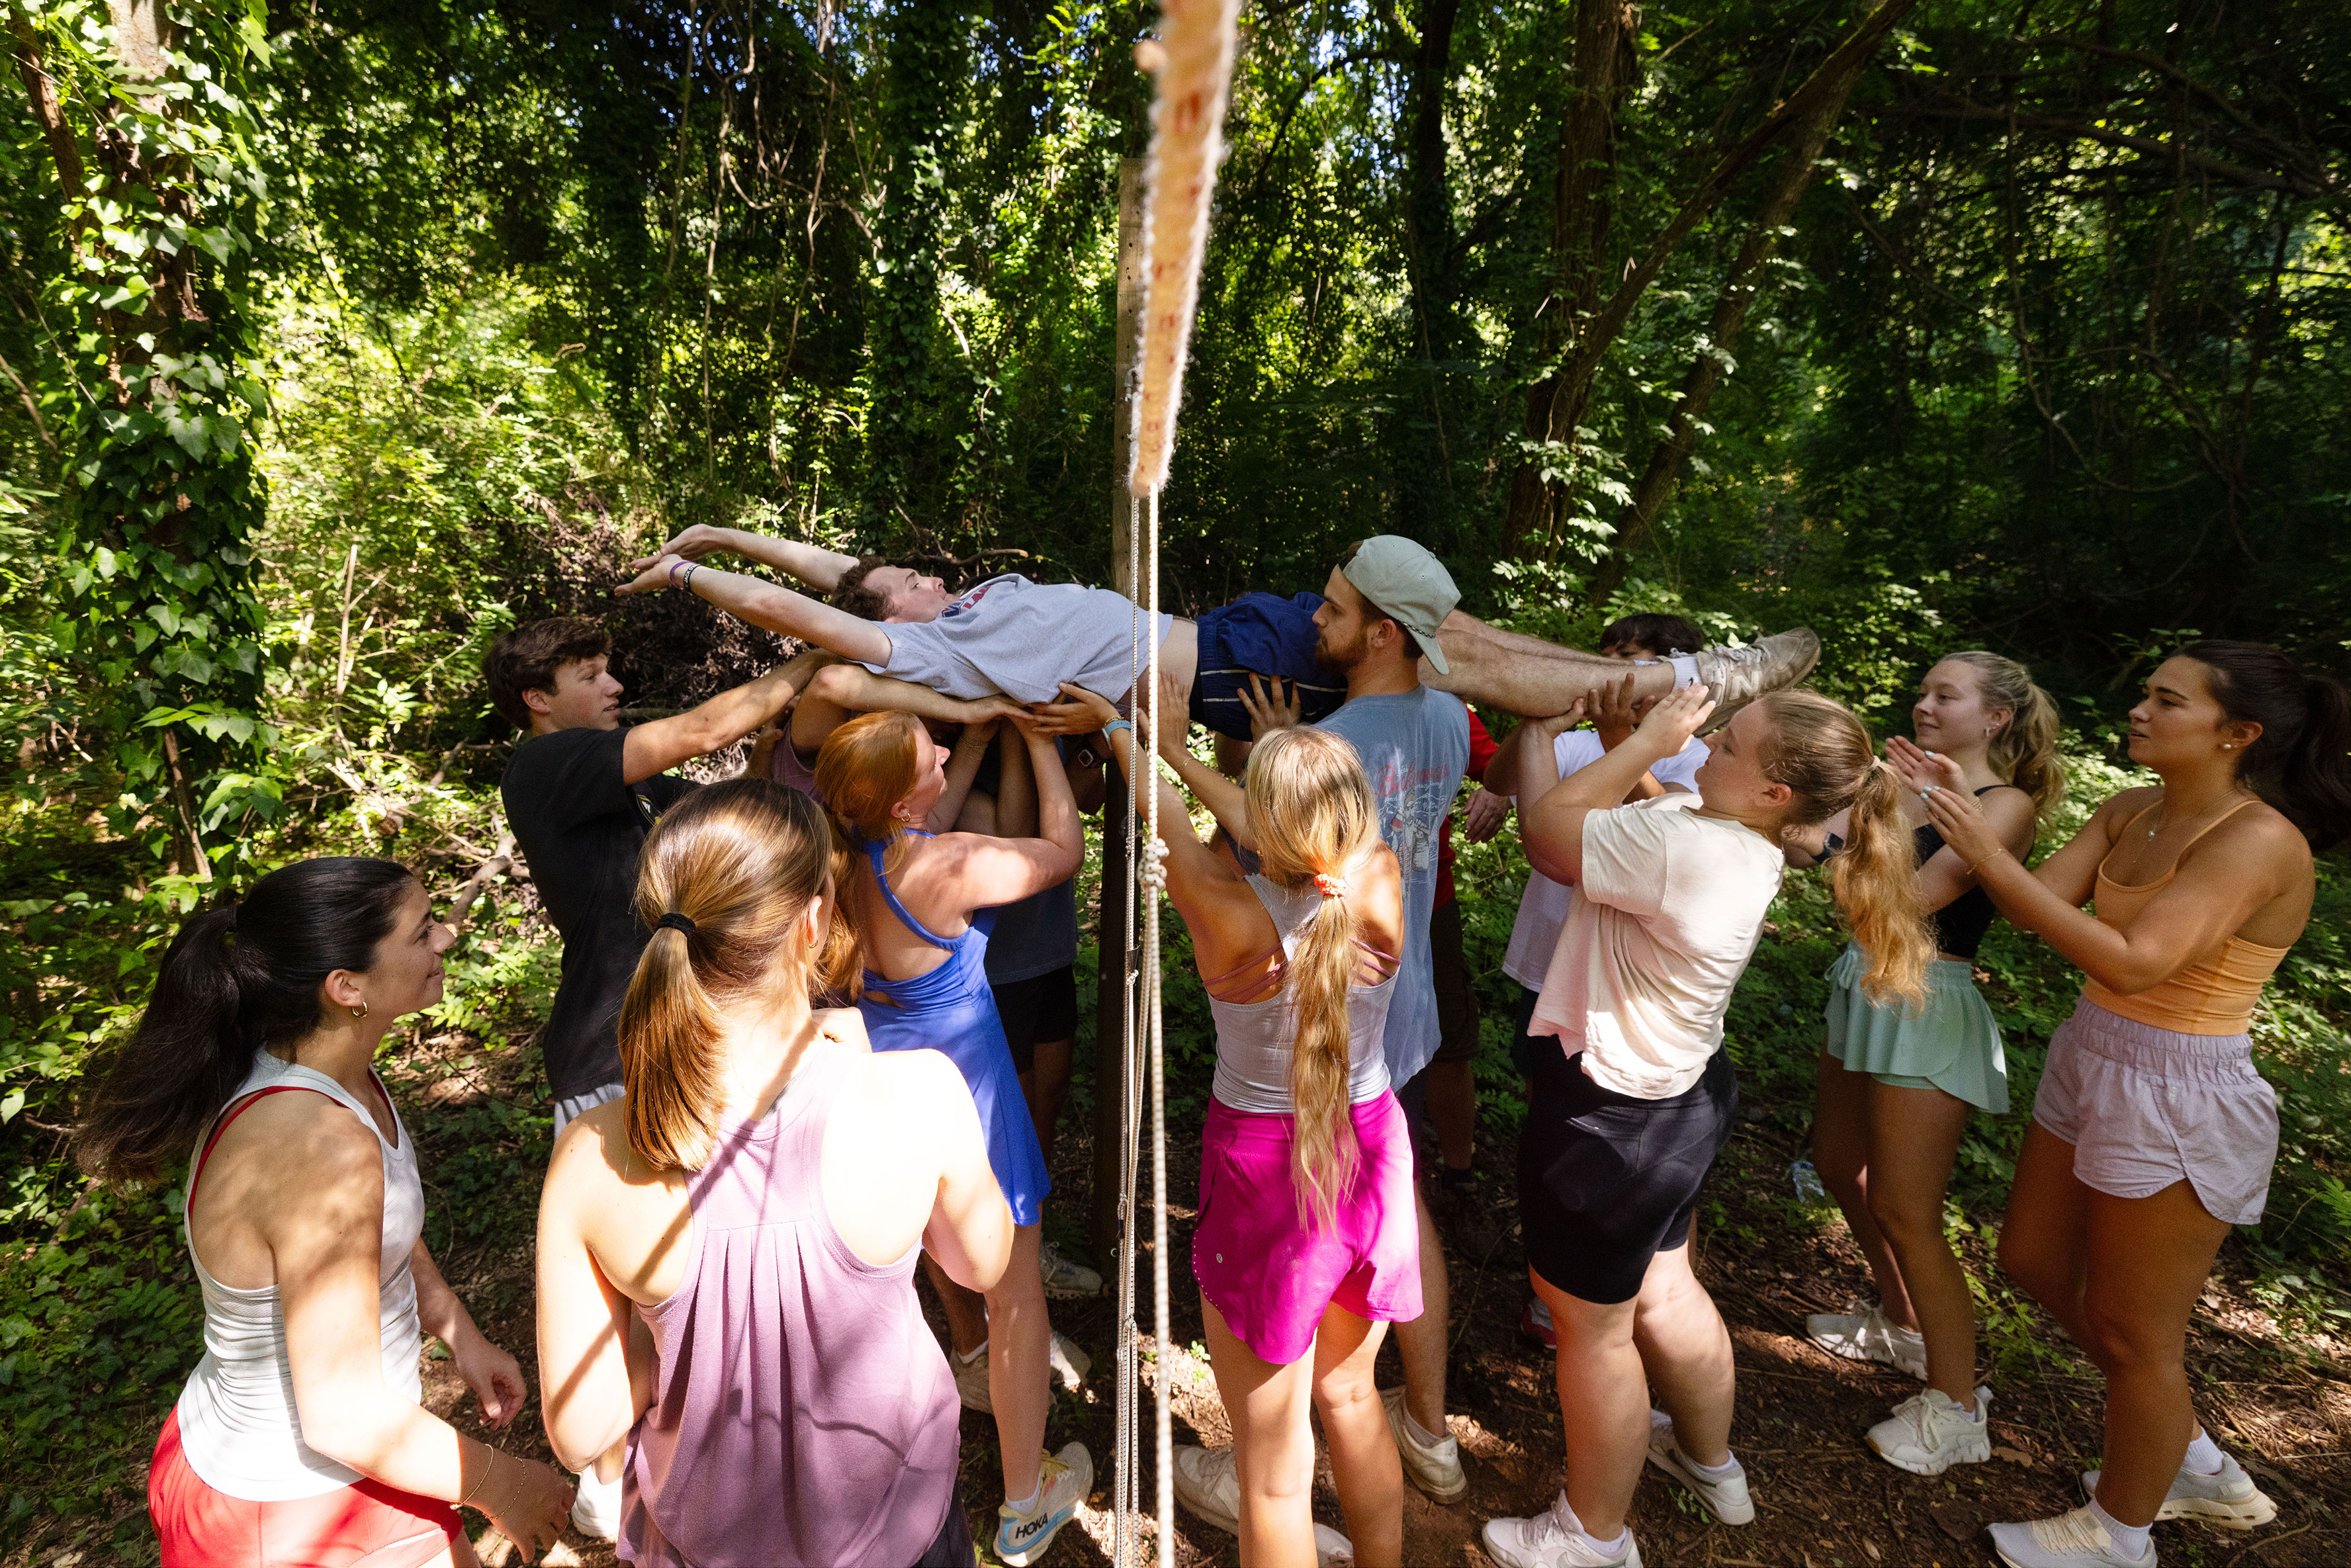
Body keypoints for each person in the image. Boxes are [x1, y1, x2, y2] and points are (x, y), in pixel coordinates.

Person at [1909, 641, 2351, 1568]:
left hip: (2183, 1083)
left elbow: (2137, 958)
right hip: (2094, 1051)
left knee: (2133, 1329)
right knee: (2029, 1258)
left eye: (2167, 700)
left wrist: (1986, 843)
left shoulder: (2259, 838)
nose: (2140, 709)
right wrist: (1947, 811)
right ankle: (2183, 1449)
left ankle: (2119, 1533)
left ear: (2238, 734)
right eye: (2145, 691)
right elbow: (2031, 905)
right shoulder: (2130, 809)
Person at [1483, 685, 1935, 1568]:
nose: (1710, 743)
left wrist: (1633, 735)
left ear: (1774, 792)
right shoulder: (1738, 835)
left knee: (1594, 1330)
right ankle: (1707, 1460)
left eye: (1730, 743)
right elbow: (1651, 809)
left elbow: (1547, 831)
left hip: (1611, 1119)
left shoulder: (1684, 842)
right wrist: (1634, 741)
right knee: (1665, 1288)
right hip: (1679, 1102)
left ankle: (1593, 1536)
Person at [533, 780, 1014, 1568]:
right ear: (814, 923)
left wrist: (673, 1340)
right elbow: (982, 1263)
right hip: (903, 1538)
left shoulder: (593, 1153)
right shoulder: (915, 1091)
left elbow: (582, 1431)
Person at [73, 857, 574, 1568]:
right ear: (346, 988)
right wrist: (506, 1482)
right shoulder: (315, 1143)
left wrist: (455, 1325)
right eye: (421, 932)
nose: (445, 941)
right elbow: (342, 1414)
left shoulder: (327, 1071)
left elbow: (375, 1226)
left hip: (334, 1464)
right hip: (301, 1504)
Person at [1066, 677, 1415, 1566]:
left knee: (1270, 1472)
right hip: (1370, 1147)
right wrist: (1182, 751)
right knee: (1351, 1395)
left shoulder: (1220, 905)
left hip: (1268, 1174)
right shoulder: (1375, 874)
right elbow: (1288, 832)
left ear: (1263, 826)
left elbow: (1175, 818)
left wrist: (1121, 729)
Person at [1155, 536, 1475, 1506]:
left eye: (1331, 612)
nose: (1313, 624)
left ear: (1381, 632)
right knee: (1394, 1216)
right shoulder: (1451, 720)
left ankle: (1284, 1451)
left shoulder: (1341, 748)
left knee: (1321, 1239)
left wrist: (1224, 756)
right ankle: (1425, 1425)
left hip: (1314, 1023)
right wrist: (1263, 761)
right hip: (1392, 1001)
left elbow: (1253, 858)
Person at [613, 521, 1824, 727]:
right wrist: (697, 581)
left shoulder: (952, 599)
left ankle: (1672, 673)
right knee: (1452, 663)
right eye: (899, 590)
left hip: (1229, 621)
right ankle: (1674, 689)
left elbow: (825, 565)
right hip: (1226, 668)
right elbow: (809, 607)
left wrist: (718, 530)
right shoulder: (934, 642)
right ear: (898, 621)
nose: (913, 579)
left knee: (1450, 620)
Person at [815, 710, 1095, 1566]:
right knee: (1018, 1296)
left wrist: (977, 735)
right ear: (903, 797)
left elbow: (922, 806)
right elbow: (1063, 850)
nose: (947, 747)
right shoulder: (949, 862)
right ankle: (1024, 1503)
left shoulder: (844, 859)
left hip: (881, 1085)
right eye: (932, 750)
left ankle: (949, 1382)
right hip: (968, 1092)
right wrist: (1044, 739)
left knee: (924, 1249)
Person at [1787, 653, 2065, 1474]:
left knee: (1911, 1210)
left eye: (1947, 695)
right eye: (1923, 691)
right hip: (1863, 981)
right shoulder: (1891, 785)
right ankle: (1902, 1326)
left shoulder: (2001, 805)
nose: (1924, 705)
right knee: (1840, 1166)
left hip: (1925, 1000)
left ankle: (1956, 1405)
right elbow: (1822, 857)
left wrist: (1834, 843)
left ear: (1996, 719)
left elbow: (1914, 899)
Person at [1473, 613, 1714, 1348]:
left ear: (1673, 680)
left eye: (1631, 663)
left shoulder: (1697, 759)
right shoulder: (1573, 738)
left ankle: (1646, 1281)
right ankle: (1557, 1280)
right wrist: (1536, 717)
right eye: (1602, 659)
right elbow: (1501, 780)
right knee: (1551, 1111)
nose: (1607, 676)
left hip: (1625, 983)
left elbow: (1668, 824)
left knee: (1629, 1141)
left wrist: (1627, 746)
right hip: (1546, 959)